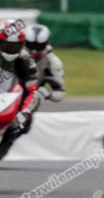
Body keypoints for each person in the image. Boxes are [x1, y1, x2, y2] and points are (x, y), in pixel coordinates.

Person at [0, 19, 41, 156]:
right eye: (7, 46)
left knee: (20, 124)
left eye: (15, 46)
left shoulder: (26, 60)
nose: (11, 50)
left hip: (9, 94)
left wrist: (24, 112)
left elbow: (32, 89)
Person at [23, 24, 65, 102]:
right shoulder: (14, 52)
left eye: (39, 46)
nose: (34, 50)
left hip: (30, 97)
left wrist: (48, 93)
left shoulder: (53, 62)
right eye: (31, 45)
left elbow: (60, 93)